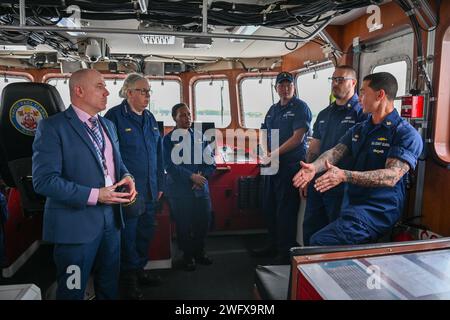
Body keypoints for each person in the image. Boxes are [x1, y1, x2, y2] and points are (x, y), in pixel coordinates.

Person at [32, 69, 137, 300]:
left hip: (112, 220)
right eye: (100, 86)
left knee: (109, 285)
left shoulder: (108, 126)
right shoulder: (52, 127)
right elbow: (44, 181)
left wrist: (128, 177)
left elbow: (115, 165)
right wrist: (95, 195)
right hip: (74, 227)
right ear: (79, 90)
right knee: (72, 290)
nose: (107, 92)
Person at [293, 72, 423, 245]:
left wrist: (344, 175)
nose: (359, 97)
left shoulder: (405, 133)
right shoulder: (360, 129)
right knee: (313, 238)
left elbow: (392, 176)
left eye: (363, 92)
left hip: (378, 212)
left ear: (380, 95)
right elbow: (335, 152)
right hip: (352, 206)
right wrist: (314, 167)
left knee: (319, 241)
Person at [105, 73, 164, 299]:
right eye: (143, 91)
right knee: (127, 237)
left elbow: (158, 154)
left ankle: (139, 271)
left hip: (150, 190)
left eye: (149, 91)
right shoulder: (113, 118)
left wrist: (160, 183)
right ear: (129, 93)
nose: (147, 95)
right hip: (127, 192)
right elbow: (109, 158)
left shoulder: (149, 118)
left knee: (145, 234)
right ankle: (128, 281)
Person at [302, 65, 367, 246]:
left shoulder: (362, 114)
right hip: (318, 182)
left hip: (343, 186)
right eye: (333, 80)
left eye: (340, 79)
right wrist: (308, 174)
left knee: (335, 235)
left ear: (353, 83)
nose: (335, 84)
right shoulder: (324, 114)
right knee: (311, 229)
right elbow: (314, 148)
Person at [255, 71, 312, 264]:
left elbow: (298, 138)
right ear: (276, 88)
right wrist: (265, 153)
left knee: (285, 210)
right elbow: (263, 132)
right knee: (268, 206)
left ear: (294, 88)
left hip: (289, 166)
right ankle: (272, 244)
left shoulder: (300, 108)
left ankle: (283, 251)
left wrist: (273, 154)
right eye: (281, 85)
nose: (285, 88)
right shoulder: (273, 109)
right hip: (272, 164)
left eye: (289, 85)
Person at [163, 103, 215, 271]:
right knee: (183, 225)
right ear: (174, 118)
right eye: (183, 115)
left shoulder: (200, 136)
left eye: (189, 114)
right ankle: (187, 255)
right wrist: (191, 177)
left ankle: (199, 252)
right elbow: (168, 165)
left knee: (204, 221)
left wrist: (202, 177)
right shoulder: (167, 139)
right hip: (180, 190)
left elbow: (211, 162)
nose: (188, 118)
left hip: (201, 188)